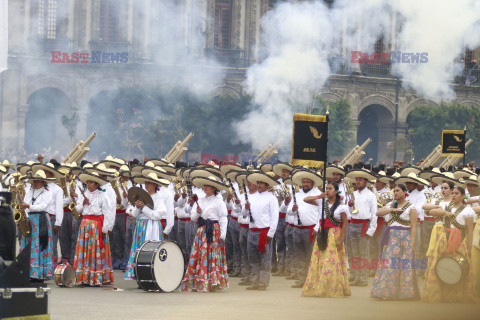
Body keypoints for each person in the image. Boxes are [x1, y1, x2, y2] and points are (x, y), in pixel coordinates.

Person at [422, 186, 476, 302]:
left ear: (462, 196)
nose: (454, 195)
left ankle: (458, 296)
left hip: (460, 241)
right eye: (453, 194)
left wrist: (469, 247)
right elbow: (430, 211)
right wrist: (446, 212)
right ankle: (443, 294)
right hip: (444, 240)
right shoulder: (447, 207)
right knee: (441, 266)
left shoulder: (467, 210)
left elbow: (470, 231)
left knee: (458, 268)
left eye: (457, 194)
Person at [371, 184, 420, 300]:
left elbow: (413, 226)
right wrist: (392, 209)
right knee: (389, 264)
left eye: (398, 191)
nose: (395, 193)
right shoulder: (390, 205)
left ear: (404, 192)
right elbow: (378, 213)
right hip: (392, 237)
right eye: (394, 191)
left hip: (405, 237)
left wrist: (412, 243)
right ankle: (386, 291)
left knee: (405, 265)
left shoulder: (411, 207)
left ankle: (405, 293)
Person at [181, 174, 229, 292]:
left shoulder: (219, 201)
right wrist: (198, 212)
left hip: (214, 230)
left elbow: (223, 218)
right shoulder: (200, 200)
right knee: (200, 255)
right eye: (205, 186)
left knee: (213, 255)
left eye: (208, 186)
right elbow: (193, 218)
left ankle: (214, 282)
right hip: (202, 230)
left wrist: (222, 234)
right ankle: (199, 281)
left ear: (214, 188)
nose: (206, 188)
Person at [302, 182, 350, 297]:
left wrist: (341, 238)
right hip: (322, 233)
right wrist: (319, 196)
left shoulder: (341, 207)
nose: (327, 190)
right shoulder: (321, 202)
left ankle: (331, 287)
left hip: (334, 235)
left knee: (331, 261)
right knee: (319, 259)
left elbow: (344, 224)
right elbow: (306, 199)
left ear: (336, 191)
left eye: (330, 189)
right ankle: (319, 286)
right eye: (326, 189)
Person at [124, 173, 168, 280]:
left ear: (154, 185)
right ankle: (138, 274)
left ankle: (149, 274)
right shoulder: (141, 197)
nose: (147, 185)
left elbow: (157, 216)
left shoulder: (158, 199)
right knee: (138, 249)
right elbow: (134, 214)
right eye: (146, 183)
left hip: (151, 226)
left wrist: (144, 207)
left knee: (150, 251)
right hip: (140, 226)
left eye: (149, 183)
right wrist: (138, 207)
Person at [73, 171, 114, 286]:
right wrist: (83, 204)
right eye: (88, 182)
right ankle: (84, 276)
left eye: (91, 183)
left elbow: (107, 213)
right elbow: (77, 210)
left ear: (97, 184)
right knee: (85, 251)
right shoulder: (84, 194)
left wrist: (105, 229)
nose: (89, 185)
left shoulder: (103, 196)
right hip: (85, 226)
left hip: (96, 226)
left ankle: (97, 276)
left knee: (96, 252)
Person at [286, 169, 322, 288]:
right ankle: (302, 279)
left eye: (308, 182)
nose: (305, 184)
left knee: (311, 256)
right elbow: (288, 213)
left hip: (311, 230)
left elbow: (322, 214)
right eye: (304, 182)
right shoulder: (297, 194)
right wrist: (293, 210)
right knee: (299, 256)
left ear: (312, 183)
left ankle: (313, 280)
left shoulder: (318, 194)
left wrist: (317, 228)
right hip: (297, 229)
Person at [243, 171, 279, 291]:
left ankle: (263, 283)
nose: (259, 185)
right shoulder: (251, 197)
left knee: (265, 259)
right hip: (252, 231)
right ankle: (254, 282)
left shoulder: (271, 199)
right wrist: (245, 208)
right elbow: (244, 215)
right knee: (253, 258)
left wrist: (271, 233)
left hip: (264, 232)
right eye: (257, 183)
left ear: (267, 185)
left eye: (261, 183)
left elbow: (275, 217)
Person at [19, 170, 55, 282]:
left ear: (43, 182)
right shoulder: (30, 192)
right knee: (28, 245)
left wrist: (28, 206)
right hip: (30, 219)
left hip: (41, 220)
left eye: (38, 181)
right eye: (34, 181)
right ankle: (27, 272)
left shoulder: (48, 193)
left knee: (40, 245)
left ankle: (39, 273)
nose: (35, 183)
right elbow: (24, 205)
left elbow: (42, 207)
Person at [345, 169, 378, 286]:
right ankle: (357, 276)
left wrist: (371, 230)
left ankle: (363, 278)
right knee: (354, 252)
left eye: (360, 180)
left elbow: (374, 213)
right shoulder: (353, 194)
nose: (358, 182)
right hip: (352, 224)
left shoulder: (371, 196)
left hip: (364, 225)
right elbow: (351, 211)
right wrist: (349, 206)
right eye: (357, 180)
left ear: (366, 182)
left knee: (363, 253)